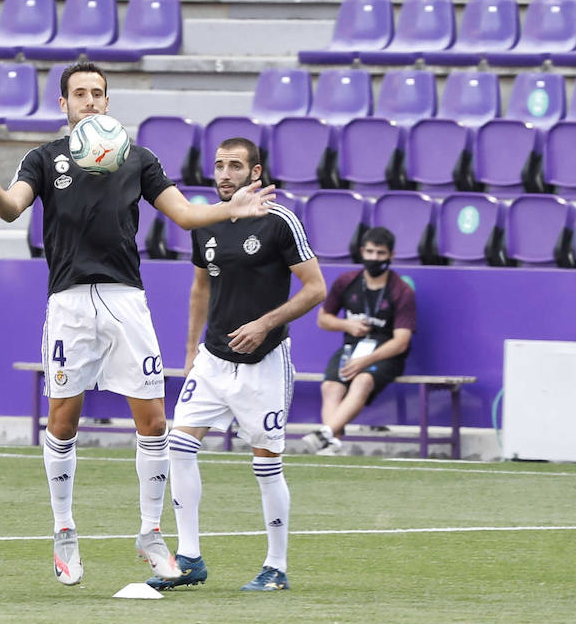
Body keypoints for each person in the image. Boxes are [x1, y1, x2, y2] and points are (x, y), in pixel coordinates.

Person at [0, 62, 273, 587]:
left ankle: (151, 534)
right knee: (63, 421)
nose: (90, 100)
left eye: (98, 93)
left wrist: (230, 209)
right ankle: (64, 530)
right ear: (63, 104)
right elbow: (13, 209)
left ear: (107, 102)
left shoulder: (137, 157)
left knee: (153, 422)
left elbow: (184, 215)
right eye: (80, 93)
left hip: (126, 300)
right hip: (69, 303)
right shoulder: (44, 159)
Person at [145, 137, 325, 593]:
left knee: (265, 463)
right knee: (178, 446)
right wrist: (190, 352)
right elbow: (200, 289)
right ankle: (188, 558)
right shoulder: (206, 222)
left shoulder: (279, 221)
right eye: (220, 165)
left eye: (235, 166)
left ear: (256, 173)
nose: (225, 174)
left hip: (264, 361)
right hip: (211, 359)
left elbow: (315, 288)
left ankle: (276, 566)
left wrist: (264, 324)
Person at [303, 227, 417, 456]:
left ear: (391, 256)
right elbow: (323, 319)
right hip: (351, 349)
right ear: (362, 251)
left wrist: (367, 360)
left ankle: (326, 434)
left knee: (362, 381)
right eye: (371, 252)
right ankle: (332, 443)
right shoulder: (347, 281)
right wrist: (347, 325)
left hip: (386, 354)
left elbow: (401, 341)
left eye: (381, 253)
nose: (374, 258)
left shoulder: (401, 291)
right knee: (330, 386)